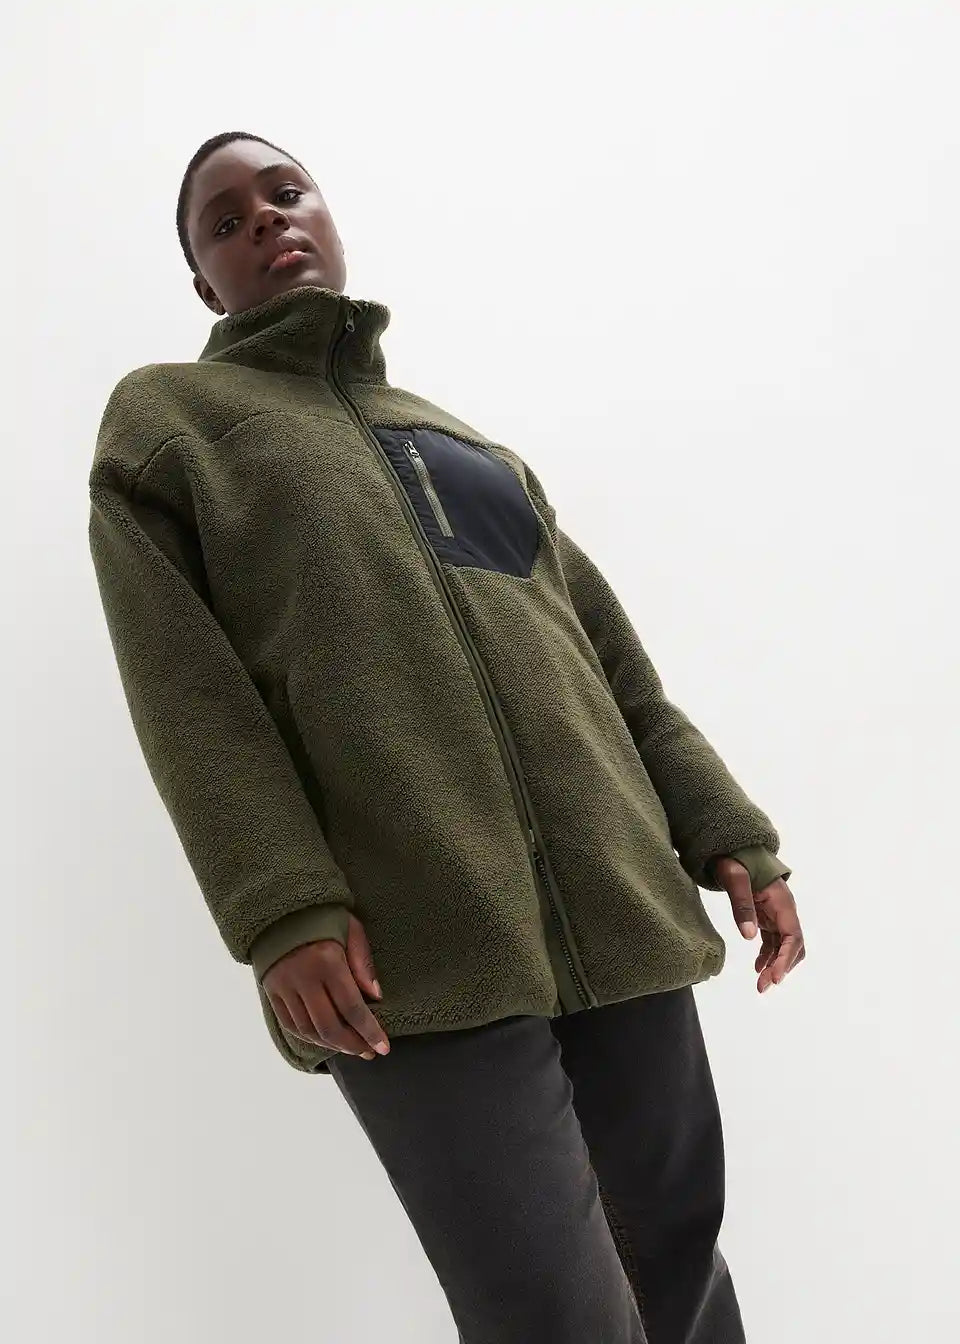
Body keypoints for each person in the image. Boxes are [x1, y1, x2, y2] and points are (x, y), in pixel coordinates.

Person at [87, 129, 806, 1343]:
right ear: (204, 283)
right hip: (411, 943)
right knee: (548, 1310)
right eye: (226, 221)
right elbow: (186, 692)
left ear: (329, 215)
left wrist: (728, 828)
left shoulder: (468, 447)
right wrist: (282, 909)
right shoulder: (172, 427)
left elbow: (614, 670)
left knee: (678, 1271)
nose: (266, 221)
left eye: (285, 192)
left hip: (620, 906)